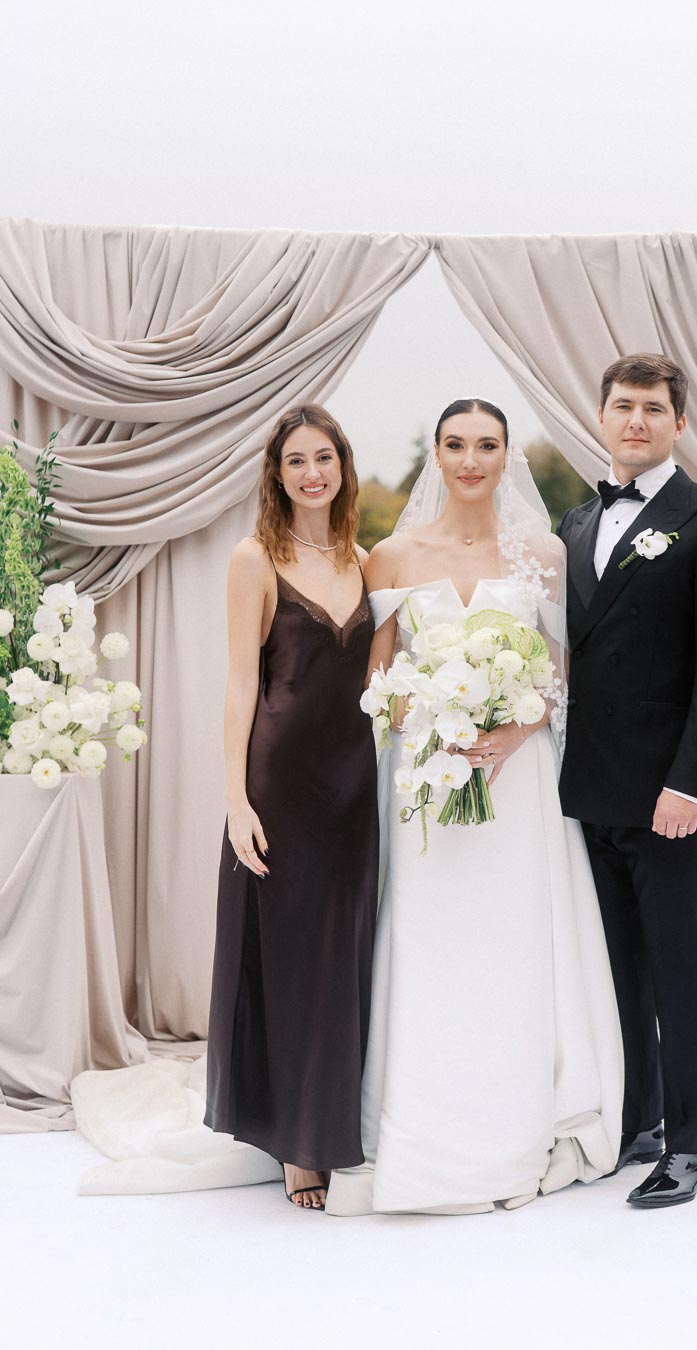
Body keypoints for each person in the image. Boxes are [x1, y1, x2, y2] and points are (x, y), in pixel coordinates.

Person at [325, 399, 623, 1217]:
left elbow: (561, 673)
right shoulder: (390, 555)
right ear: (437, 453)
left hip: (518, 781)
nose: (470, 459)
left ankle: (518, 1116)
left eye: (487, 445)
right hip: (425, 783)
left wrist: (513, 731)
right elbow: (376, 679)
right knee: (428, 942)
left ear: (506, 456)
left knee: (513, 939)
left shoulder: (545, 554)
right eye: (456, 444)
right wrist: (423, 720)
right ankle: (420, 1118)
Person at [558, 353, 697, 1208]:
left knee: (684, 968)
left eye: (652, 408)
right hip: (589, 793)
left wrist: (690, 785)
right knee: (617, 972)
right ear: (600, 418)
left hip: (675, 797)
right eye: (621, 406)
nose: (635, 420)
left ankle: (696, 1146)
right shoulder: (572, 525)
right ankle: (637, 1123)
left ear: (679, 424)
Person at [204, 404, 378, 1210]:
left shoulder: (364, 558)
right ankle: (294, 1142)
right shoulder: (255, 557)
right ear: (276, 474)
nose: (312, 473)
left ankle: (333, 1114)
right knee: (286, 952)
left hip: (355, 783)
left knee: (342, 953)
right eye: (296, 461)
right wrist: (236, 799)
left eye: (324, 458)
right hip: (281, 782)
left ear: (343, 465)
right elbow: (244, 681)